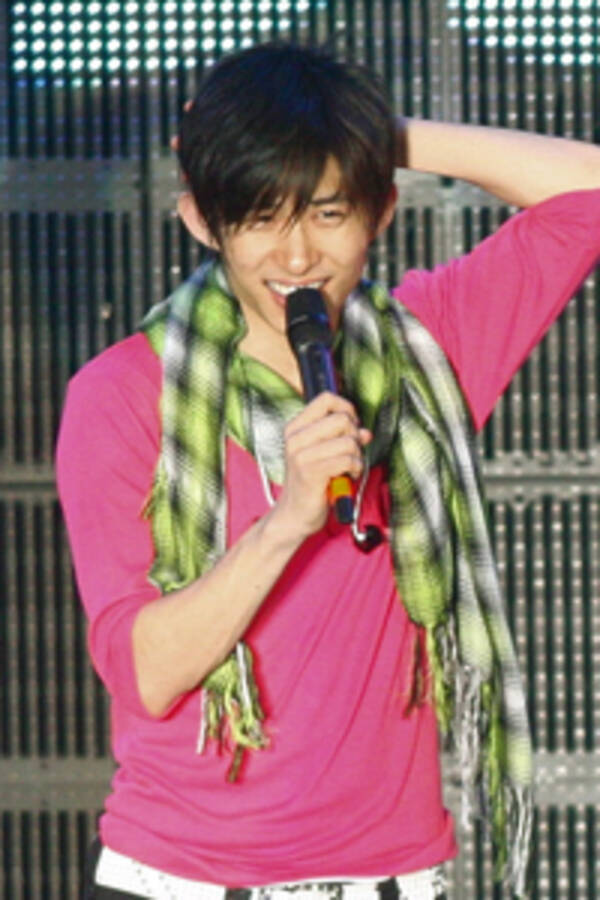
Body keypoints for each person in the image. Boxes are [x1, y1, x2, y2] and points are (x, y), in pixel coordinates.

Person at [56, 42, 600, 900]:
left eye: (329, 211)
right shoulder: (121, 394)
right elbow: (146, 673)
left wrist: (368, 136)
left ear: (380, 211)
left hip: (386, 875)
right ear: (201, 220)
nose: (299, 255)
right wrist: (286, 523)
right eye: (261, 216)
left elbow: (590, 193)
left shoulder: (431, 348)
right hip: (177, 880)